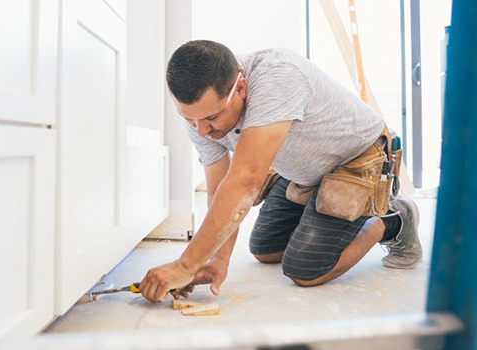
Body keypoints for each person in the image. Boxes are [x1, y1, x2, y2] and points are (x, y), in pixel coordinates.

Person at [138, 40, 422, 303]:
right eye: (189, 119)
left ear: (240, 88)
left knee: (306, 269)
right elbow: (220, 190)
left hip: (361, 161)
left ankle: (394, 220)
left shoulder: (277, 77)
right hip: (305, 170)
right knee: (265, 250)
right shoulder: (201, 119)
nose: (202, 131)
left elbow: (245, 182)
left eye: (212, 118)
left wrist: (185, 264)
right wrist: (216, 261)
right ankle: (318, 206)